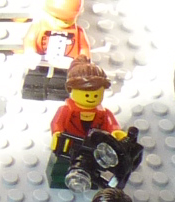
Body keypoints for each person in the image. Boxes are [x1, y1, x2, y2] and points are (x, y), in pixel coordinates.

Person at [49, 57, 124, 189]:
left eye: (96, 95)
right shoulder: (66, 110)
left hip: (92, 149)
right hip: (69, 145)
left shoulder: (103, 113)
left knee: (91, 167)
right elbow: (57, 123)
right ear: (71, 90)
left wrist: (117, 133)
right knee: (62, 165)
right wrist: (57, 133)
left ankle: (90, 180)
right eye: (87, 95)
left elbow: (112, 125)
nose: (91, 98)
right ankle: (60, 178)